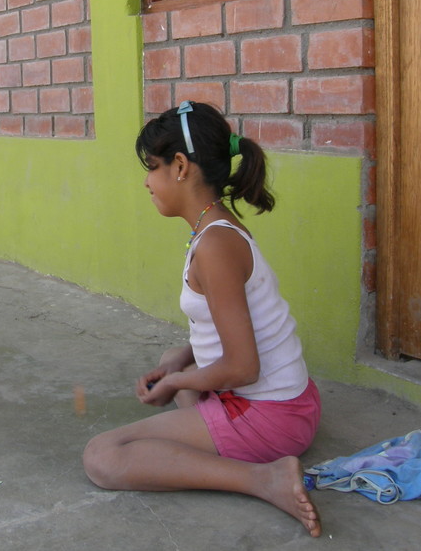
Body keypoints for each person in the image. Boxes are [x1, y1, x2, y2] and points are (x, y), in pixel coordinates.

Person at [82, 101, 322, 537]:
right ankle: (224, 442)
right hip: (290, 403)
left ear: (179, 166)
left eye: (151, 167)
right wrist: (183, 358)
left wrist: (175, 383)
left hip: (272, 417)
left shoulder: (215, 246)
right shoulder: (217, 230)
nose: (146, 181)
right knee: (176, 358)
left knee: (104, 456)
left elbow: (243, 367)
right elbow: (238, 324)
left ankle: (264, 479)